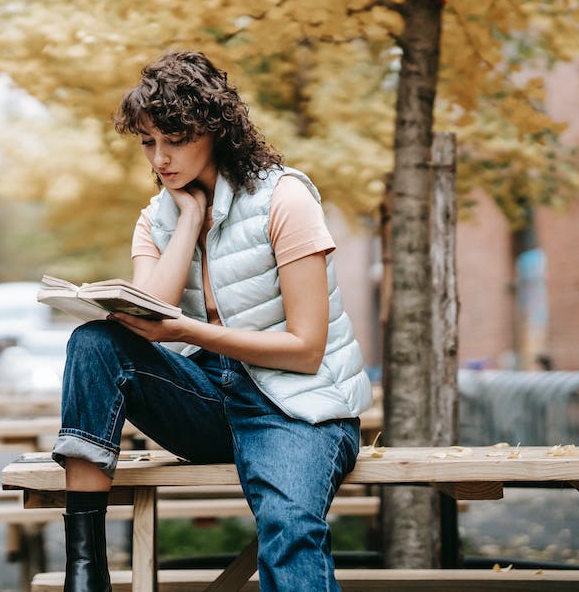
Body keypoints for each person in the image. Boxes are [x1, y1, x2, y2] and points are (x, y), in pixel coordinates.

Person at [54, 50, 372, 592]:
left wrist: (185, 332)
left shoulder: (284, 198)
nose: (160, 159)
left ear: (216, 132)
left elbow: (307, 349)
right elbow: (148, 307)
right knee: (94, 342)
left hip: (296, 406)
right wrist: (190, 218)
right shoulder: (157, 217)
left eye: (175, 140)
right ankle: (86, 571)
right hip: (211, 402)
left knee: (290, 526)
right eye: (149, 143)